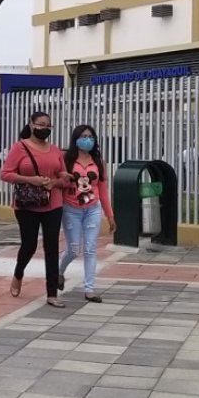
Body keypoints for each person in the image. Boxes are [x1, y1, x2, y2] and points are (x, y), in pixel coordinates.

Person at [0, 111, 69, 307]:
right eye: (41, 124)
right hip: (27, 205)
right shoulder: (20, 147)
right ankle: (18, 273)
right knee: (29, 245)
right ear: (31, 125)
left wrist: (56, 181)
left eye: (48, 125)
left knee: (52, 247)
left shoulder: (55, 150)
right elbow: (5, 174)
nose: (44, 128)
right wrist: (31, 180)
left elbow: (64, 177)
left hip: (52, 204)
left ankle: (52, 293)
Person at [59, 125, 116, 303]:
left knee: (91, 249)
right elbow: (59, 183)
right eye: (83, 136)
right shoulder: (66, 159)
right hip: (71, 209)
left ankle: (89, 289)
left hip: (92, 209)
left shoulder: (98, 161)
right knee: (74, 249)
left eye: (90, 136)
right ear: (75, 139)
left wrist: (110, 214)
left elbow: (103, 189)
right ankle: (59, 272)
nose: (87, 139)